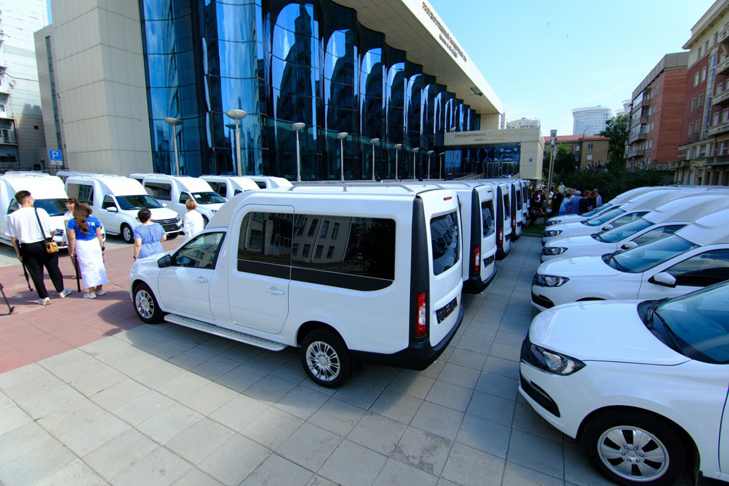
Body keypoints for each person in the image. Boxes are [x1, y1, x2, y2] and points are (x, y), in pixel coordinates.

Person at [5, 190, 72, 305]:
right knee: (53, 268)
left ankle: (44, 297)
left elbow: (13, 238)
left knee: (36, 273)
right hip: (44, 244)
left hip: (27, 247)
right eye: (32, 197)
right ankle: (61, 291)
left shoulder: (12, 216)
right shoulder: (40, 211)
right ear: (28, 199)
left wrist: (18, 253)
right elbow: (52, 230)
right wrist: (49, 239)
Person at [67, 203, 108, 299]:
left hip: (82, 245)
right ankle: (100, 289)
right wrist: (102, 247)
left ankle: (91, 291)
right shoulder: (95, 220)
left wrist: (72, 251)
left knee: (86, 267)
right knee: (98, 265)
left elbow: (72, 238)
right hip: (94, 244)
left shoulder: (72, 222)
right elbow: (99, 235)